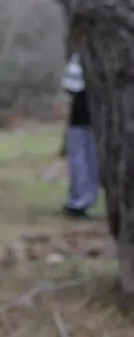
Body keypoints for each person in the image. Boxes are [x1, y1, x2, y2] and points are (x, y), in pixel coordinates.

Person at [59, 52, 98, 218]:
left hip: (81, 119)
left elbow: (70, 86)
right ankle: (84, 199)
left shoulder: (82, 57)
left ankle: (79, 201)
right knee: (90, 160)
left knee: (80, 160)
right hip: (95, 120)